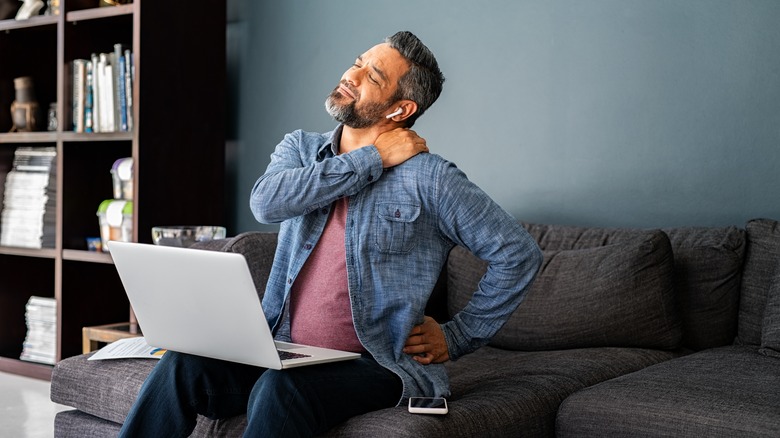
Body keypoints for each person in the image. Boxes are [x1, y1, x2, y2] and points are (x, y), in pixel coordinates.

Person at [119, 30, 541, 437]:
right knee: (182, 363)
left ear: (400, 110)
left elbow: (518, 253)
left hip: (375, 363)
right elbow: (266, 203)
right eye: (357, 64)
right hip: (279, 349)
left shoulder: (429, 178)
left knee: (280, 389)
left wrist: (459, 335)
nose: (351, 76)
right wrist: (371, 159)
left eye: (372, 76)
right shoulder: (300, 149)